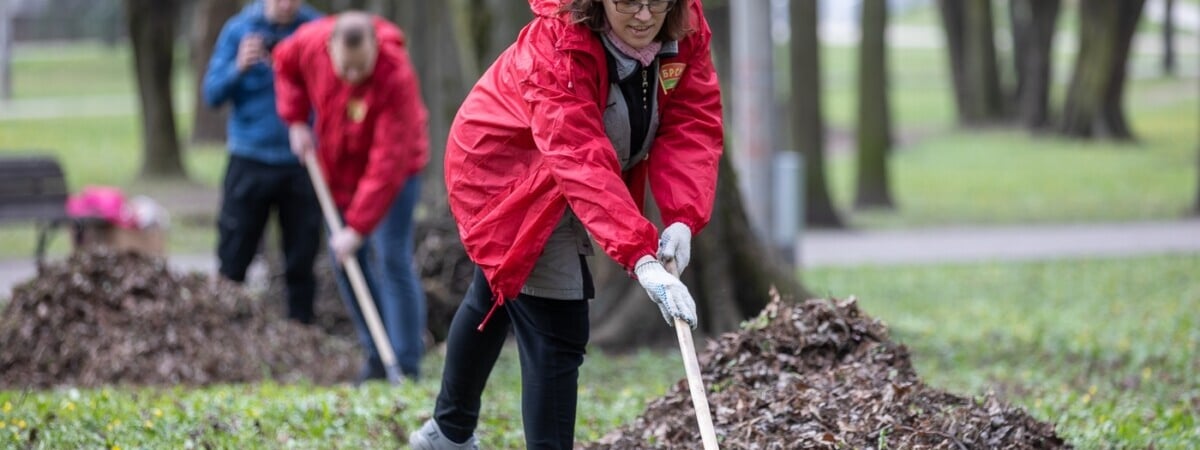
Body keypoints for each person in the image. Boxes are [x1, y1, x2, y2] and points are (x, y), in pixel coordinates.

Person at [409, 0, 722, 448]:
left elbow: (691, 120)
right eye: (627, 2)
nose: (643, 16)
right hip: (504, 170)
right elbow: (578, 156)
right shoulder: (557, 45)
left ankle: (446, 433)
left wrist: (682, 218)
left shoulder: (686, 25)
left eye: (657, 1)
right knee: (557, 326)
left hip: (575, 164)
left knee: (497, 291)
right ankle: (450, 432)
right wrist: (640, 257)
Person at [272, 11, 431, 382]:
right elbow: (283, 64)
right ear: (330, 50)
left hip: (396, 174)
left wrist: (357, 227)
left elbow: (387, 161)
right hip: (339, 171)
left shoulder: (396, 75)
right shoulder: (310, 43)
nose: (356, 78)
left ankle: (405, 365)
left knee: (392, 258)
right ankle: (378, 355)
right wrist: (295, 119)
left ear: (375, 46)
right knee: (345, 258)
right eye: (348, 69)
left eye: (363, 68)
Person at [203, 0, 323, 325]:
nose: (286, 5)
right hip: (249, 157)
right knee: (234, 253)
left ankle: (300, 334)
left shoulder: (315, 29)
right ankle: (226, 330)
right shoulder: (238, 29)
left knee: (302, 258)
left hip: (300, 161)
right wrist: (238, 66)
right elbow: (211, 94)